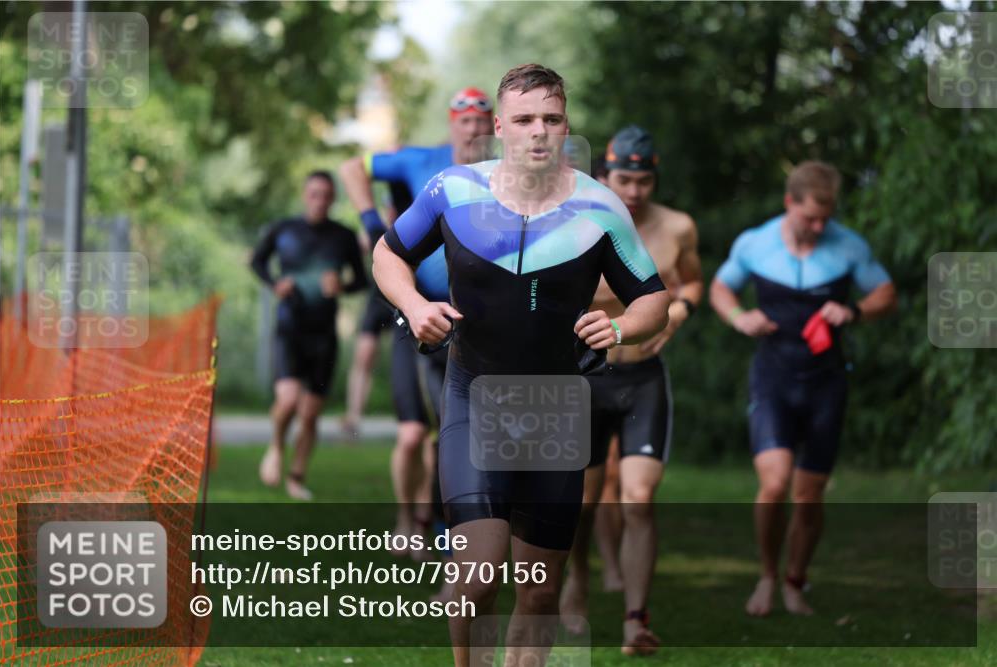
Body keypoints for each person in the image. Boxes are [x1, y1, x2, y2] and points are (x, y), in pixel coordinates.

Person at [372, 64, 670, 667]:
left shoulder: (600, 207)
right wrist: (413, 304)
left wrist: (618, 327)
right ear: (500, 128)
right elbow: (388, 253)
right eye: (526, 119)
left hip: (556, 412)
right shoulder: (453, 191)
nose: (540, 131)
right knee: (477, 577)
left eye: (552, 119)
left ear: (566, 127)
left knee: (537, 592)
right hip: (473, 399)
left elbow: (654, 299)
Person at [709, 160, 897, 616]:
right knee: (773, 485)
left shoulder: (848, 246)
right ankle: (767, 577)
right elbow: (721, 288)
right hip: (773, 376)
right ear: (789, 202)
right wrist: (740, 317)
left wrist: (852, 312)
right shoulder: (755, 243)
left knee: (808, 494)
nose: (819, 225)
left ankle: (796, 580)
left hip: (825, 381)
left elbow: (885, 293)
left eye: (826, 217)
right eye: (810, 216)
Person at [558, 126, 703, 655]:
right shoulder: (579, 222)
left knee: (639, 499)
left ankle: (635, 619)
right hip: (586, 377)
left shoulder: (677, 227)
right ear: (605, 177)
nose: (636, 190)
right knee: (580, 504)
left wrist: (678, 312)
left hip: (643, 377)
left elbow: (690, 282)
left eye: (644, 180)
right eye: (625, 179)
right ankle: (575, 584)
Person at [339, 87, 494, 554]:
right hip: (417, 311)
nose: (472, 129)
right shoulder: (420, 160)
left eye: (480, 122)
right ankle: (406, 521)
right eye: (463, 121)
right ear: (452, 123)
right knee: (412, 434)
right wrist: (370, 223)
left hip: (474, 319)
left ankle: (443, 526)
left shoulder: (503, 177)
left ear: (492, 127)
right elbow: (353, 167)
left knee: (456, 430)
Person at [251, 171, 368, 500]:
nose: (319, 200)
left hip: (324, 334)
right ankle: (275, 447)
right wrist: (276, 283)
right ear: (305, 195)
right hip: (289, 327)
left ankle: (297, 476)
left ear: (332, 199)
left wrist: (341, 286)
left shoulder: (343, 236)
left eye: (326, 195)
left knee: (311, 413)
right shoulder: (283, 229)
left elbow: (362, 280)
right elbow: (257, 262)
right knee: (287, 400)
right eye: (314, 194)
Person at [340, 181, 412, 442]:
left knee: (402, 360)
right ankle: (353, 416)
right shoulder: (376, 233)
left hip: (402, 303)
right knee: (364, 357)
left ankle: (406, 414)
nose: (393, 212)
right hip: (377, 301)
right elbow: (351, 246)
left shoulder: (415, 231)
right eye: (389, 208)